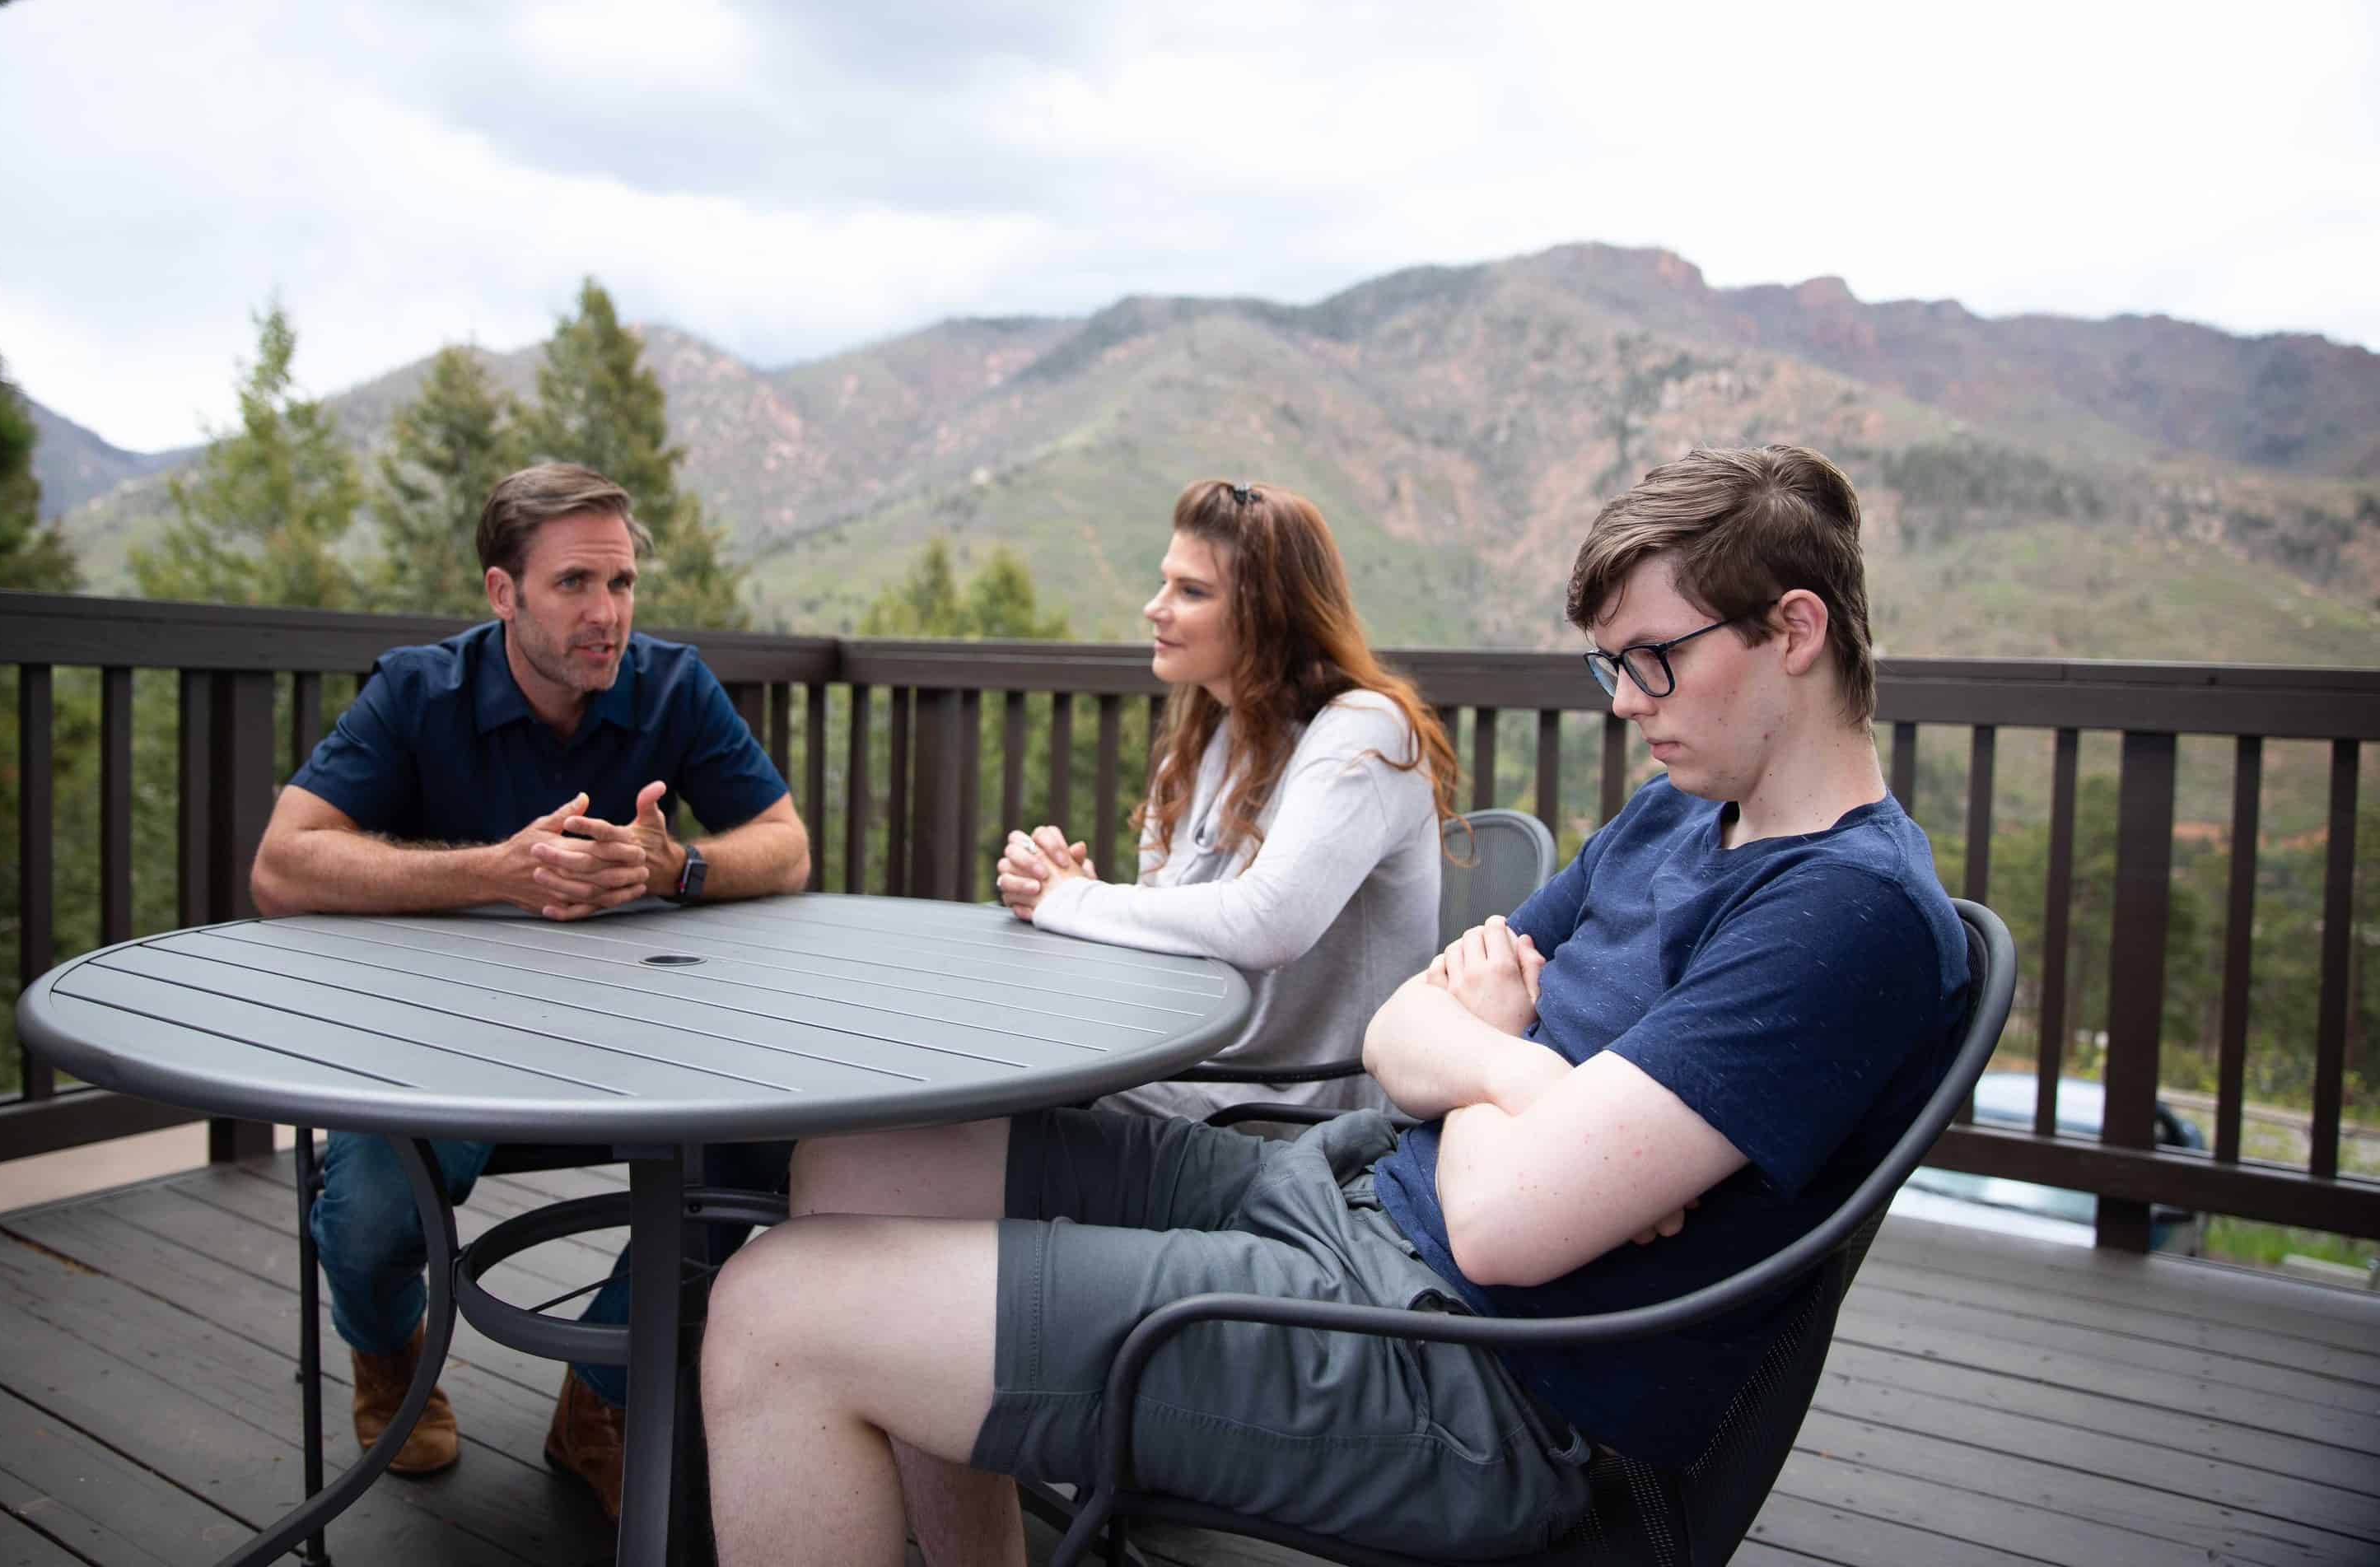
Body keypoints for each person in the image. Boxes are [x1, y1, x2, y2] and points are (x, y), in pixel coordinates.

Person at [697, 442, 1971, 1565]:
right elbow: (1398, 1026)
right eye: (1612, 665)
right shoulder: (1677, 819)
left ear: (1794, 631)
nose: (1628, 702)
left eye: (1654, 660)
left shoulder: (1844, 913)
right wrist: (1518, 1071)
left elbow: (1496, 1232)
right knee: (864, 1159)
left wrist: (1483, 1039)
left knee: (777, 1314)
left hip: (1470, 1381)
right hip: (1343, 1194)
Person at [250, 460, 809, 1518]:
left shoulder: (672, 683)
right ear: (503, 592)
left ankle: (599, 1394)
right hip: (447, 1043)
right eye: (574, 584)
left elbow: (786, 844)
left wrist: (678, 866)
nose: (608, 613)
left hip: (641, 1038)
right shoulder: (420, 690)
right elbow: (283, 864)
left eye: (622, 582)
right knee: (369, 1215)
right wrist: (494, 870)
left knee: (769, 1142)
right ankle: (390, 1360)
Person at [993, 478, 1456, 1119]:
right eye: (1165, 583)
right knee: (995, 1047)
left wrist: (1074, 901)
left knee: (999, 1090)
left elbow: (1270, 923)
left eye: (1192, 592)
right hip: (1194, 1070)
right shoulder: (1207, 737)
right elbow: (1175, 934)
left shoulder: (1364, 732)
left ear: (1269, 612)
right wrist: (1078, 900)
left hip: (1295, 1111)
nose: (1155, 608)